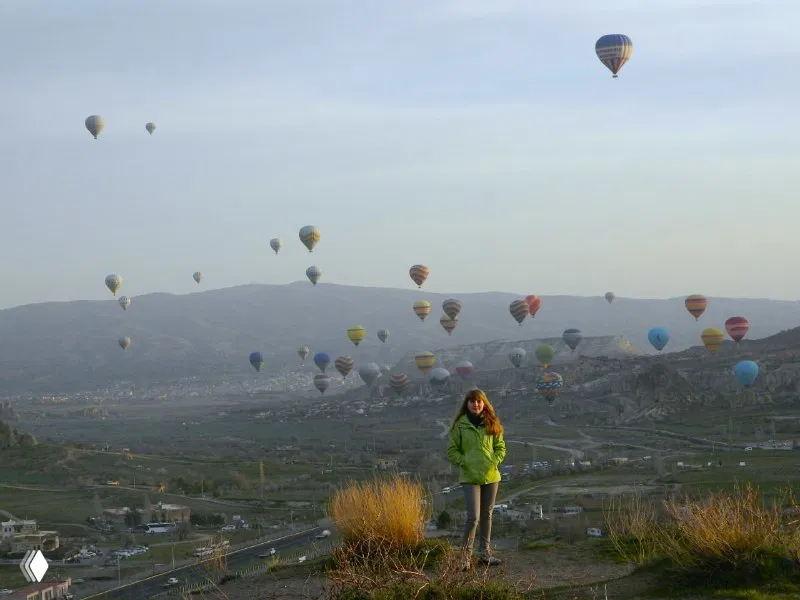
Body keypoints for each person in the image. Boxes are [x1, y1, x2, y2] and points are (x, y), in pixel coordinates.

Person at [447, 389, 507, 567]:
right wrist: (464, 461)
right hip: (469, 476)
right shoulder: (459, 425)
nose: (476, 404)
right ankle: (465, 558)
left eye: (479, 401)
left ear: (484, 403)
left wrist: (493, 461)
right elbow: (452, 451)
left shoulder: (492, 423)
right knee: (473, 517)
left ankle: (485, 554)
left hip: (491, 476)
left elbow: (501, 448)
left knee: (487, 515)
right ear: (467, 404)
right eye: (472, 401)